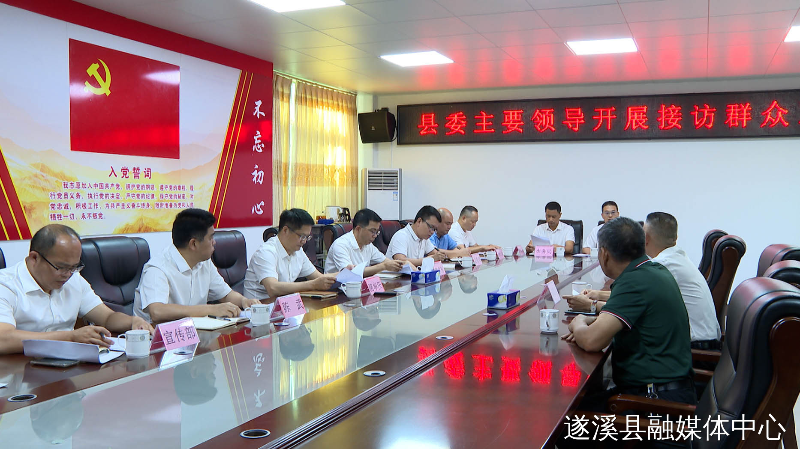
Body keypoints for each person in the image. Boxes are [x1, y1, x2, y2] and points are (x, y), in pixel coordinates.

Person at [562, 217, 695, 411]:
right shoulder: (652, 270)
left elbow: (591, 341)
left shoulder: (634, 282)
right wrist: (593, 322)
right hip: (664, 391)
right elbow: (615, 318)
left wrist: (578, 323)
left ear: (604, 254)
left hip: (654, 402)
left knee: (569, 413)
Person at [567, 213, 721, 348]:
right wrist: (598, 298)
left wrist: (579, 321)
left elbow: (591, 340)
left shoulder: (653, 269)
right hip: (692, 340)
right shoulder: (661, 264)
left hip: (693, 347)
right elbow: (632, 301)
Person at [0, 224, 153, 355]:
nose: (67, 275)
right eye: (61, 267)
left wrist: (132, 321)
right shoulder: (6, 285)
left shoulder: (74, 279)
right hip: (20, 367)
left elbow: (107, 317)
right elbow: (3, 339)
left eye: (74, 267)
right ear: (34, 258)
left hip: (67, 363)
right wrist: (70, 337)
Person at [134, 209, 259, 323]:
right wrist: (211, 309)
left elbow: (225, 295)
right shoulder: (157, 269)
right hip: (159, 337)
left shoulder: (204, 262)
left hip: (194, 333)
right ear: (193, 244)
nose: (214, 242)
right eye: (211, 238)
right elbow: (157, 311)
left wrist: (244, 301)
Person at [244, 208, 338, 300]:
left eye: (307, 237)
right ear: (285, 230)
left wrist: (343, 274)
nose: (304, 241)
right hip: (261, 307)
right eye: (302, 236)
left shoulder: (298, 251)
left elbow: (319, 278)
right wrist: (313, 284)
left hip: (285, 305)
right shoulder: (266, 252)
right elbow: (273, 288)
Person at [324, 208, 412, 275]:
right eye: (372, 231)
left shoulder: (368, 245)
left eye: (377, 232)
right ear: (358, 229)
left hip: (359, 288)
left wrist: (402, 264)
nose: (375, 235)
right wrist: (383, 267)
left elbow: (386, 261)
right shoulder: (341, 245)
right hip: (336, 291)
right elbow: (350, 273)